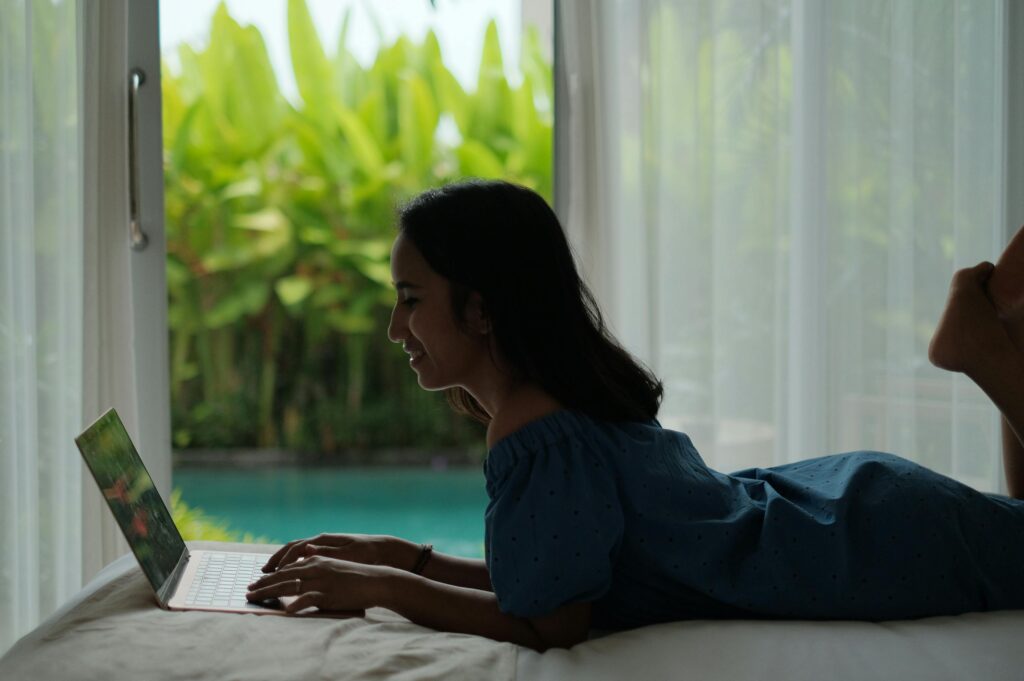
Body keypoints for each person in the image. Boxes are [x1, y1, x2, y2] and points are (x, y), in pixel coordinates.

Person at [246, 180, 1024, 652]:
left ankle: (988, 347)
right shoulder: (550, 406)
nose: (394, 327)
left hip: (859, 542)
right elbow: (554, 580)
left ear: (478, 309)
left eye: (410, 298)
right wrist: (404, 557)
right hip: (848, 515)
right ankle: (993, 337)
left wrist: (385, 587)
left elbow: (553, 626)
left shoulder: (534, 427)